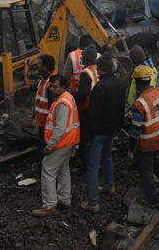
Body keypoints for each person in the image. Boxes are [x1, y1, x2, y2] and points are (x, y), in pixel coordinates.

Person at [81, 53, 126, 213]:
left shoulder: (99, 88)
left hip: (99, 132)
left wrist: (87, 137)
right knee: (107, 157)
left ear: (100, 70)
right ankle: (109, 185)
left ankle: (93, 203)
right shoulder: (120, 84)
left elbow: (93, 115)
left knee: (93, 166)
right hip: (112, 129)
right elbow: (122, 108)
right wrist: (118, 127)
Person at [32, 75, 80, 217]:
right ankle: (64, 199)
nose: (52, 89)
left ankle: (49, 205)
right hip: (70, 140)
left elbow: (59, 129)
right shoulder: (67, 98)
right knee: (63, 169)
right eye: (51, 86)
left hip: (62, 142)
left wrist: (49, 147)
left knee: (47, 168)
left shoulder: (62, 104)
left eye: (55, 86)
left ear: (63, 87)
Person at [129, 65, 159, 209]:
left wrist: (131, 150)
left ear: (137, 82)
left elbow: (135, 131)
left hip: (147, 143)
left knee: (146, 170)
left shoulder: (140, 103)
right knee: (156, 162)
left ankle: (151, 199)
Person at [71, 46, 99, 170]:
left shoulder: (85, 73)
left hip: (86, 110)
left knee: (85, 139)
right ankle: (94, 162)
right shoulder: (97, 69)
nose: (81, 57)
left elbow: (83, 94)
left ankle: (86, 165)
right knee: (93, 139)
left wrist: (71, 94)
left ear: (87, 58)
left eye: (83, 56)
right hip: (95, 108)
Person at [32, 56, 57, 170]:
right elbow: (38, 89)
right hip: (42, 120)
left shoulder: (51, 82)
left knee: (43, 145)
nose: (37, 66)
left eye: (39, 64)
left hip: (47, 122)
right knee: (41, 143)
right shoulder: (45, 79)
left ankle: (42, 167)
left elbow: (53, 105)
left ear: (45, 67)